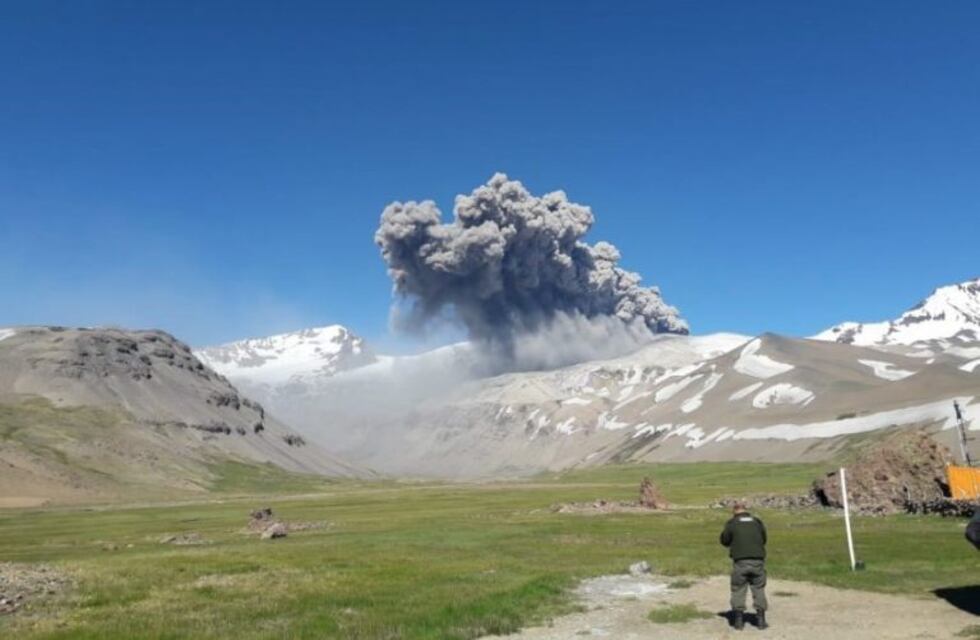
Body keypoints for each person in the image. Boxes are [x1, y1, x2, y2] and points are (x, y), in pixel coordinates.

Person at [720, 502, 769, 630]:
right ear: (746, 510)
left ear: (734, 511)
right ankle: (761, 620)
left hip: (740, 561)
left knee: (738, 588)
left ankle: (738, 620)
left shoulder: (731, 523)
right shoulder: (757, 522)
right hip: (758, 561)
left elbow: (724, 541)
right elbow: (764, 539)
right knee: (758, 588)